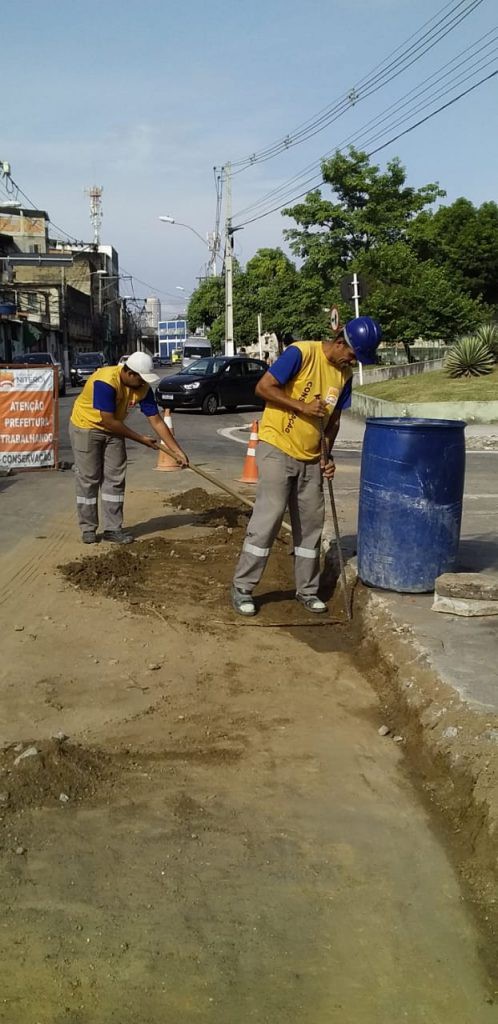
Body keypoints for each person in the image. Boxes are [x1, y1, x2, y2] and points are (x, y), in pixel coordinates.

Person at [231, 317, 382, 616]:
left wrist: (327, 456)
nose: (352, 361)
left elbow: (334, 420)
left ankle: (307, 590)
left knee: (312, 525)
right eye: (352, 355)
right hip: (277, 446)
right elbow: (263, 387)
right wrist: (301, 407)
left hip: (312, 456)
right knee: (269, 517)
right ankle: (242, 587)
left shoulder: (345, 375)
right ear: (340, 343)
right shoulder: (301, 354)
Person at [69, 351, 188, 545]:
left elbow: (156, 420)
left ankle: (113, 528)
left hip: (114, 429)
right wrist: (141, 439)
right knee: (88, 477)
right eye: (141, 378)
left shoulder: (142, 388)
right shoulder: (106, 381)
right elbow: (107, 421)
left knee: (115, 479)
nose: (143, 383)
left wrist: (177, 451)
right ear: (130, 373)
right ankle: (88, 528)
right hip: (87, 427)